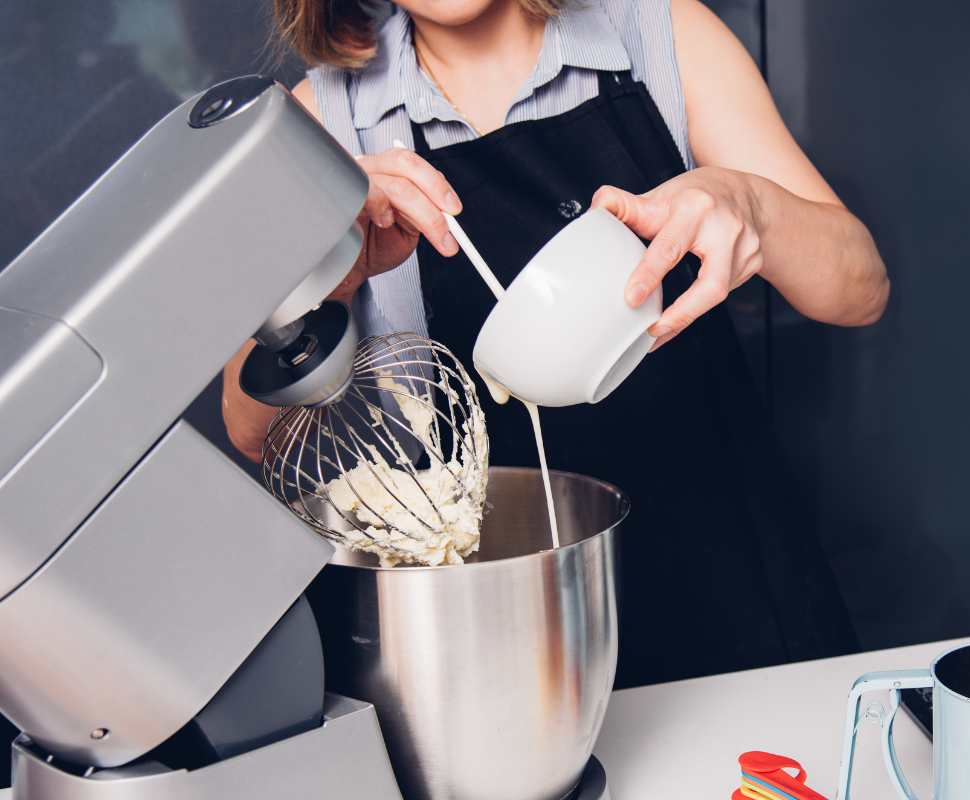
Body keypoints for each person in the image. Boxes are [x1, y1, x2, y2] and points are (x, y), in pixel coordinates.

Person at [224, 0, 889, 687]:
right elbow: (251, 429)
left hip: (735, 593)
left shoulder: (657, 32)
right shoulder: (321, 125)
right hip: (500, 652)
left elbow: (860, 289)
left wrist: (755, 206)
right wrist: (334, 275)